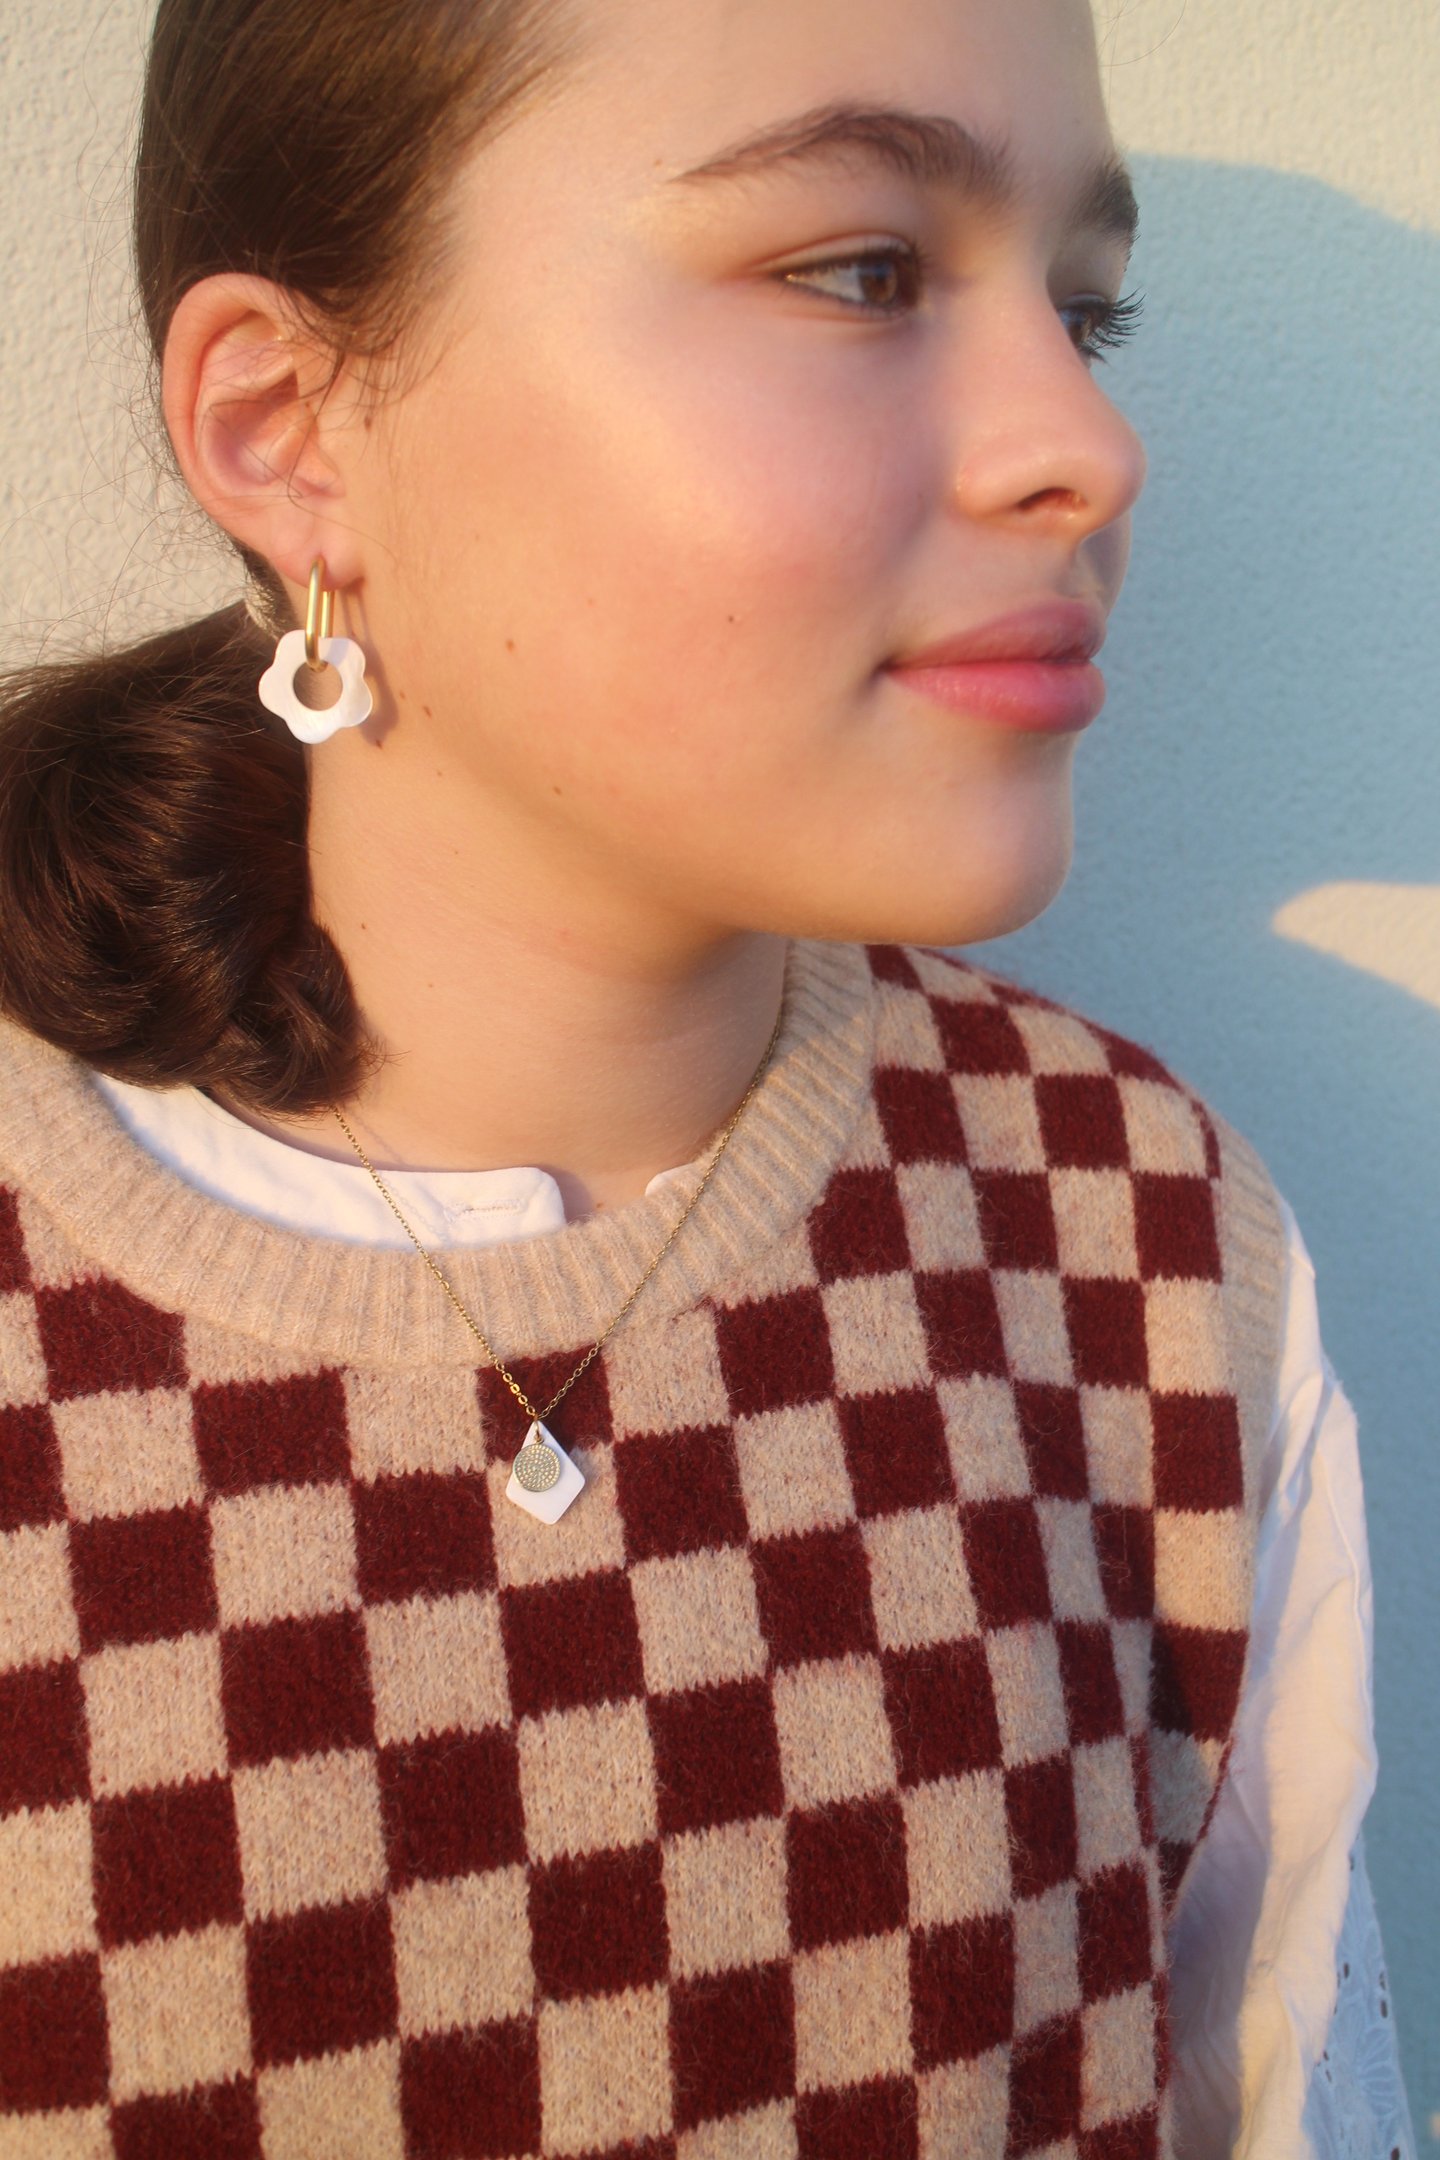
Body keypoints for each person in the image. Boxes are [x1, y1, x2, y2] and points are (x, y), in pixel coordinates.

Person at [0, 0, 1411, 2154]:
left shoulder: (1138, 1251)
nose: (1089, 449)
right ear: (290, 427)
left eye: (1087, 314)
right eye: (858, 272)